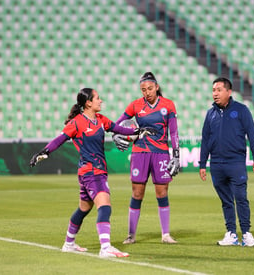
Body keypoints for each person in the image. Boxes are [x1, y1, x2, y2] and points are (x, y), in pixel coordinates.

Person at [29, 88, 152, 258]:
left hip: (95, 171)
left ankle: (69, 243)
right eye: (97, 98)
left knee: (84, 208)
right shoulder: (77, 122)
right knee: (105, 206)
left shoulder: (101, 120)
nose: (100, 101)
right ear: (88, 103)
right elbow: (60, 138)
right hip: (91, 172)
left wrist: (138, 131)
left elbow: (118, 129)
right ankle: (105, 247)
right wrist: (45, 152)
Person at [112, 72, 180, 244]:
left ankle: (165, 234)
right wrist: (117, 135)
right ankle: (131, 235)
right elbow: (118, 124)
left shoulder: (168, 105)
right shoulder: (135, 105)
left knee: (162, 192)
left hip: (161, 153)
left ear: (157, 87)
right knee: (137, 193)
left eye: (150, 88)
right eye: (143, 90)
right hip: (140, 152)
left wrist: (176, 154)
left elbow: (173, 131)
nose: (147, 92)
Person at [199, 77, 254, 247]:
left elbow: (252, 135)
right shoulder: (210, 113)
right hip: (216, 164)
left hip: (236, 162)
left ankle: (247, 233)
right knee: (226, 200)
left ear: (229, 92)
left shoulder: (241, 110)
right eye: (213, 90)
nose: (215, 93)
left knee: (241, 198)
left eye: (219, 90)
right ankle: (231, 234)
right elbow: (205, 139)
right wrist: (202, 164)